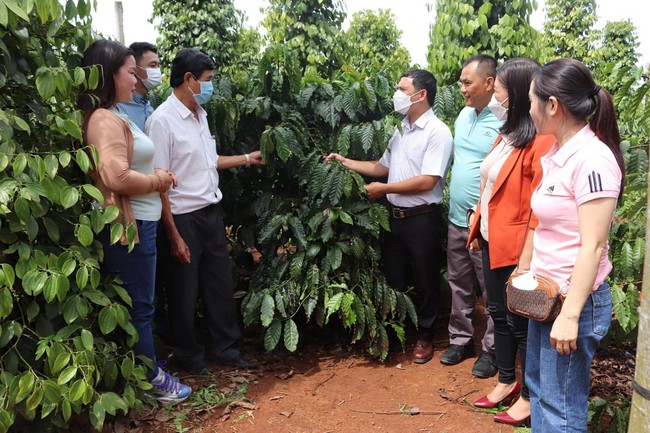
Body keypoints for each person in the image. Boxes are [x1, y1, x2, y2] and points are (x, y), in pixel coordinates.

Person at [78, 39, 190, 403]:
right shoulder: (104, 119)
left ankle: (146, 370)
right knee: (141, 307)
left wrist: (154, 171)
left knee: (142, 304)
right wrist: (159, 180)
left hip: (141, 224)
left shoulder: (115, 115)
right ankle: (151, 380)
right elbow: (117, 178)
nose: (136, 79)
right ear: (110, 76)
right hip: (131, 228)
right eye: (130, 72)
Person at [325, 69, 453, 364]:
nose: (395, 93)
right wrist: (345, 162)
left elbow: (428, 181)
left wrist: (384, 189)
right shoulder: (399, 129)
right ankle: (397, 333)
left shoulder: (438, 132)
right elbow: (381, 167)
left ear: (420, 95)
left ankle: (425, 336)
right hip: (394, 218)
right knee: (394, 277)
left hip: (422, 218)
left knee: (425, 278)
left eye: (401, 88)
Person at [146, 48, 262, 373]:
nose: (211, 87)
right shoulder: (162, 122)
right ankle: (189, 355)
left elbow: (209, 162)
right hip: (183, 219)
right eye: (207, 80)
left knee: (219, 284)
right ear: (188, 79)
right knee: (184, 292)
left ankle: (227, 349)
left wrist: (247, 158)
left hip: (211, 213)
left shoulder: (200, 114)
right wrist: (173, 234)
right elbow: (159, 182)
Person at [526, 58, 624, 432]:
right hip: (547, 296)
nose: (529, 111)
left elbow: (593, 245)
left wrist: (569, 316)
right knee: (541, 392)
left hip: (573, 303)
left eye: (533, 101)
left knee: (560, 408)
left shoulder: (592, 159)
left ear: (552, 106)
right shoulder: (557, 154)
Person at [467, 57, 555, 425]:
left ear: (517, 95)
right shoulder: (507, 133)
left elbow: (540, 204)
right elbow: (489, 184)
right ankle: (506, 381)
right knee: (498, 313)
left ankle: (530, 395)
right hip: (491, 239)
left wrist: (525, 257)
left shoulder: (540, 140)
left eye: (499, 91)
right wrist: (477, 225)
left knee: (522, 322)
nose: (494, 97)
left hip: (516, 246)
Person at [440, 55, 501, 378]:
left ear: (489, 83)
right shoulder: (463, 116)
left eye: (467, 82)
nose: (461, 88)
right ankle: (461, 340)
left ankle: (492, 350)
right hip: (456, 219)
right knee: (459, 283)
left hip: (486, 223)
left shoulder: (504, 121)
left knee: (490, 290)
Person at [117, 42, 161, 132]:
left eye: (158, 66)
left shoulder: (148, 106)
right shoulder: (119, 108)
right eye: (152, 65)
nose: (157, 70)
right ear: (135, 69)